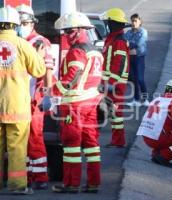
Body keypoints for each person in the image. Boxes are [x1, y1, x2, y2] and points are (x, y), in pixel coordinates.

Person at [51, 12, 103, 193]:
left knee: (71, 145)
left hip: (75, 105)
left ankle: (71, 184)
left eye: (69, 31)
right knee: (91, 144)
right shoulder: (94, 50)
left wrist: (55, 90)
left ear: (80, 30)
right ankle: (93, 182)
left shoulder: (77, 51)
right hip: (91, 103)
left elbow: (73, 75)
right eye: (65, 32)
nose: (66, 35)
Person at [0, 6, 46, 194]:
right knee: (17, 149)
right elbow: (39, 71)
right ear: (15, 25)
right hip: (17, 108)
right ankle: (17, 186)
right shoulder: (23, 45)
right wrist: (39, 56)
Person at [16, 4, 55, 190]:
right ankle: (28, 175)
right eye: (18, 23)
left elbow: (48, 71)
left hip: (36, 96)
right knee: (21, 138)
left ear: (32, 23)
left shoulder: (40, 42)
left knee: (35, 136)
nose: (20, 26)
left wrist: (48, 95)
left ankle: (41, 177)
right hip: (20, 96)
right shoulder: (16, 41)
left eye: (24, 23)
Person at [101, 8, 130, 148]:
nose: (107, 25)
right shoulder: (112, 39)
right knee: (112, 113)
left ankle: (119, 141)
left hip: (115, 85)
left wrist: (111, 82)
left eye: (108, 22)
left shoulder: (119, 41)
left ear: (113, 23)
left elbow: (119, 63)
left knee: (116, 114)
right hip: (109, 83)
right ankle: (117, 141)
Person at [125, 13, 149, 106]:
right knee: (134, 79)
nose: (134, 23)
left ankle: (145, 99)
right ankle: (136, 100)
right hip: (130, 57)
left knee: (140, 79)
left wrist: (130, 45)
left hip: (139, 57)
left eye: (135, 21)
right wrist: (131, 47)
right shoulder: (128, 32)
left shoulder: (143, 32)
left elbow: (139, 43)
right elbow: (124, 41)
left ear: (140, 22)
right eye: (132, 21)